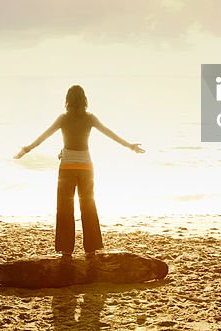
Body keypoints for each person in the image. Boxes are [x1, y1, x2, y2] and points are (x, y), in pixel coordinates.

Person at [13, 85, 145, 258]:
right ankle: (91, 248)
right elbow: (109, 133)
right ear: (84, 100)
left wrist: (25, 150)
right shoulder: (90, 118)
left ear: (67, 100)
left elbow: (43, 136)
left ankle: (66, 250)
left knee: (65, 207)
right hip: (86, 167)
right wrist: (130, 146)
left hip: (67, 167)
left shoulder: (63, 118)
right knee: (88, 206)